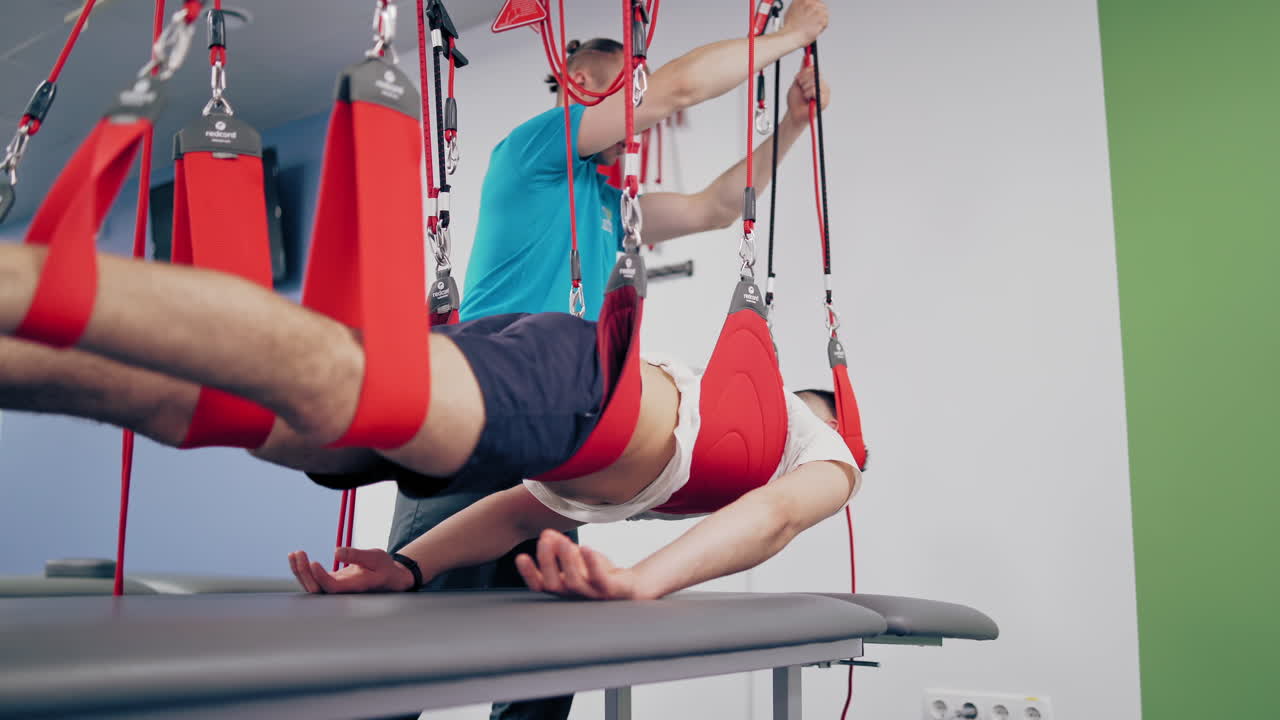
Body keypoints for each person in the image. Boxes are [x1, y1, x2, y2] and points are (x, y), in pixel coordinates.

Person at [387, 12, 835, 714]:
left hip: (559, 441)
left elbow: (715, 207)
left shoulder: (608, 201)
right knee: (406, 650)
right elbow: (678, 90)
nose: (645, 108)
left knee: (545, 660)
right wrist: (785, 36)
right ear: (581, 82)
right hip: (476, 415)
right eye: (629, 81)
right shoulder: (531, 154)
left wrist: (795, 123)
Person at [0, 242, 859, 604]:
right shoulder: (826, 449)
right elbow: (775, 520)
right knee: (327, 376)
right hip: (580, 391)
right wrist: (643, 587)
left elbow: (527, 508)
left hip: (557, 409)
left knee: (249, 417)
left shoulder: (687, 461)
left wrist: (408, 567)